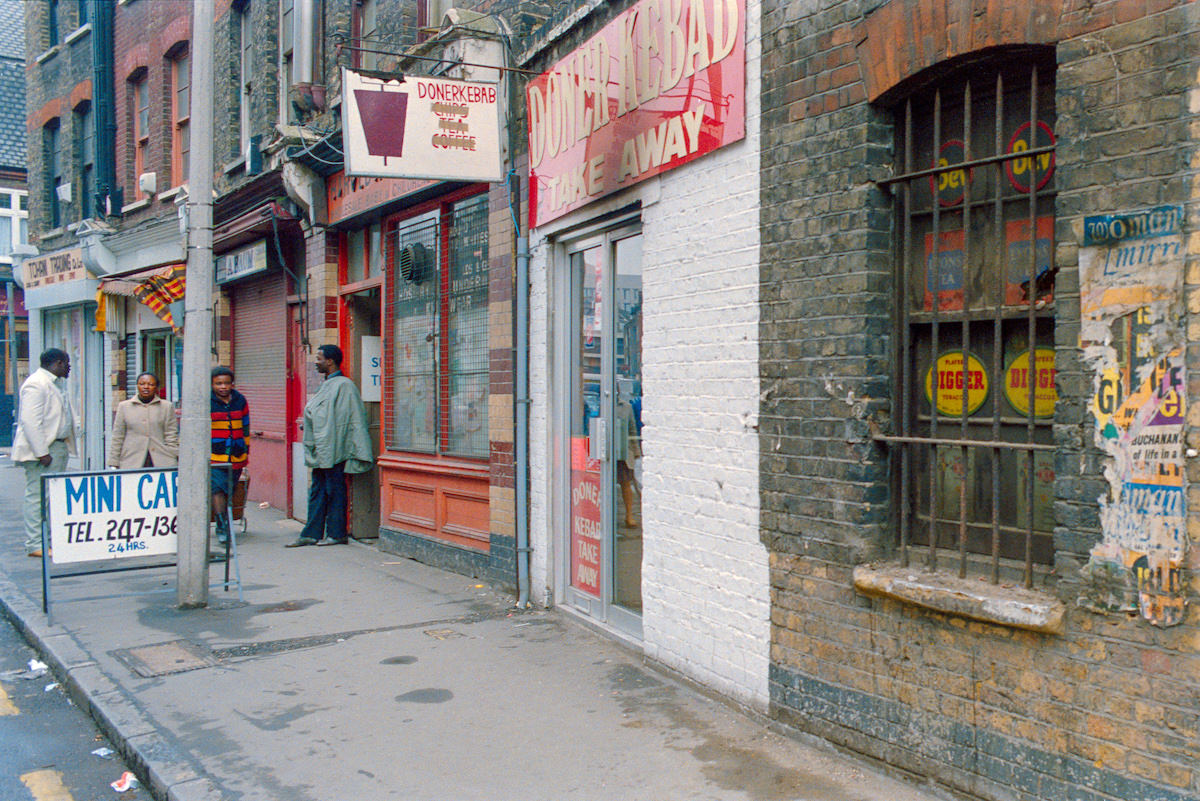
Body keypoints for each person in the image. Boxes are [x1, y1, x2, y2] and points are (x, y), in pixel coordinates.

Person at [287, 344, 374, 547]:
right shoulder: (329, 384)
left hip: (334, 449)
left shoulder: (344, 385)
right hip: (323, 448)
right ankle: (312, 533)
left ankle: (336, 533)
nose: (316, 362)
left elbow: (347, 421)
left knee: (334, 490)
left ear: (330, 361)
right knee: (318, 489)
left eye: (319, 358)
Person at [12, 348, 76, 558]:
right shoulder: (36, 383)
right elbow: (30, 421)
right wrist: (42, 453)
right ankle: (35, 544)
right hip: (44, 451)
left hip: (56, 447)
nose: (69, 367)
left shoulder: (53, 384)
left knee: (50, 498)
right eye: (67, 363)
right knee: (38, 497)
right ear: (57, 363)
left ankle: (47, 540)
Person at [210, 367, 249, 546]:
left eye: (226, 383)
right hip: (215, 455)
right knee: (217, 488)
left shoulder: (240, 400)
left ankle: (225, 520)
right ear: (212, 384)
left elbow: (246, 427)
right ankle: (221, 526)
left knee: (228, 491)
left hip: (236, 455)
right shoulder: (207, 402)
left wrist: (246, 450)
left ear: (232, 384)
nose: (223, 387)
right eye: (218, 383)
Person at [107, 372, 179, 469]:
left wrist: (176, 456)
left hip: (162, 459)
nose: (146, 387)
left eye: (151, 384)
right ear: (137, 386)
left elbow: (171, 435)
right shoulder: (124, 407)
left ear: (156, 387)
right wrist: (113, 461)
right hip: (132, 460)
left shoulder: (166, 407)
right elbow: (118, 436)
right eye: (142, 384)